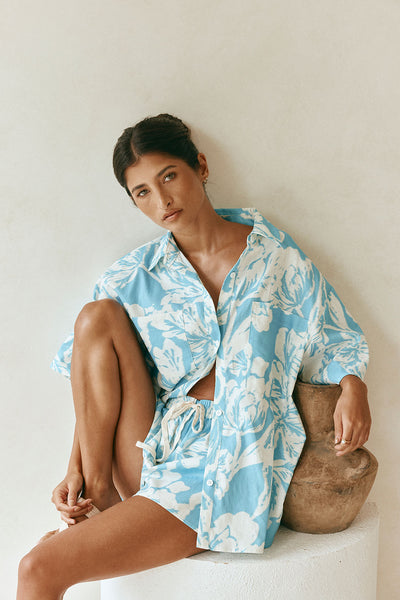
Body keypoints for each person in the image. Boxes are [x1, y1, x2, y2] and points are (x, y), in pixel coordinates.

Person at [17, 113, 371, 599]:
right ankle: (100, 493)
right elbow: (93, 382)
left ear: (200, 167)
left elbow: (332, 334)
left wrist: (353, 385)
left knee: (37, 569)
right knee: (95, 316)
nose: (162, 201)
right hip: (153, 444)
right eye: (142, 192)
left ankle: (114, 516)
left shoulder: (276, 259)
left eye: (169, 177)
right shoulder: (137, 274)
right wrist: (74, 467)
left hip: (227, 458)